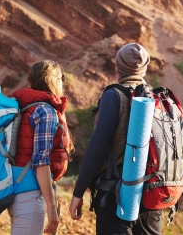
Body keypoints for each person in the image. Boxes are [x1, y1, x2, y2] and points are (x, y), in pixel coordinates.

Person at [69, 43, 162, 235]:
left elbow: (98, 146)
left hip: (115, 196)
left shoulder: (114, 96)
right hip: (150, 196)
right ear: (145, 67)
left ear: (117, 66)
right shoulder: (156, 97)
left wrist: (78, 192)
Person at [9, 60, 73, 235]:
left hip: (16, 186)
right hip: (30, 193)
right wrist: (51, 207)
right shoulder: (44, 111)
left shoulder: (24, 105)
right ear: (54, 81)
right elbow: (41, 161)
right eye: (62, 78)